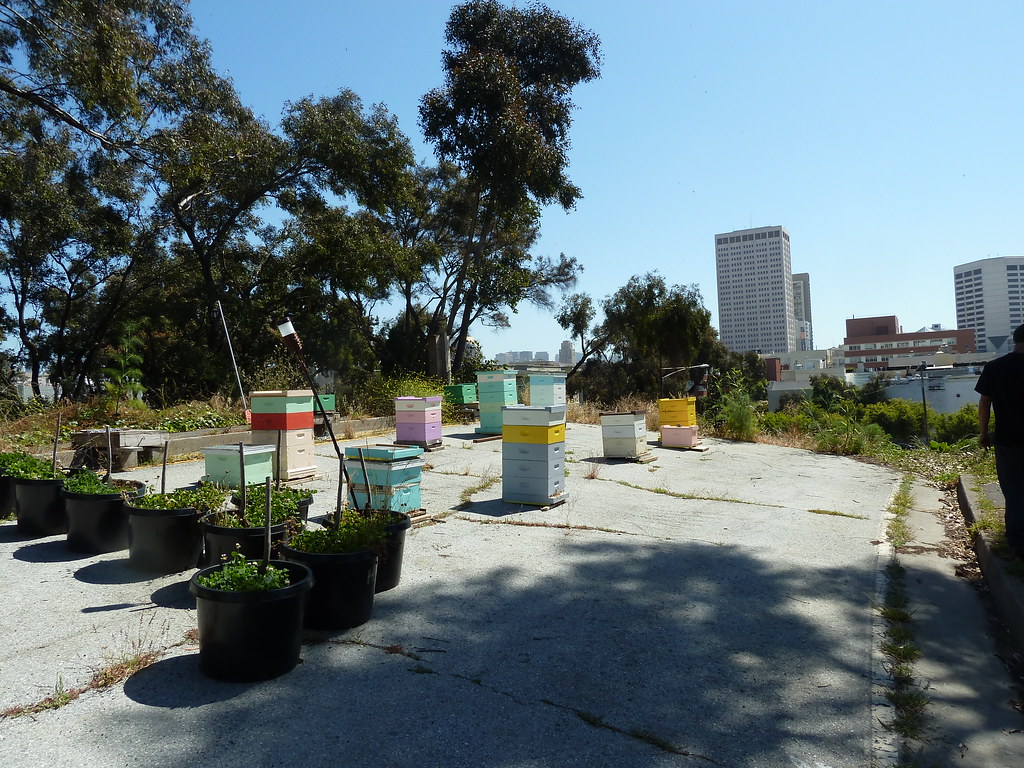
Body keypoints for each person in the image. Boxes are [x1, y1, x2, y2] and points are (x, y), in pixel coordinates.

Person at [975, 323, 1024, 557]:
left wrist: (983, 433)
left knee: (1013, 488)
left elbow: (984, 402)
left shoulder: (995, 367)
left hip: (1007, 438)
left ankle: (1016, 540)